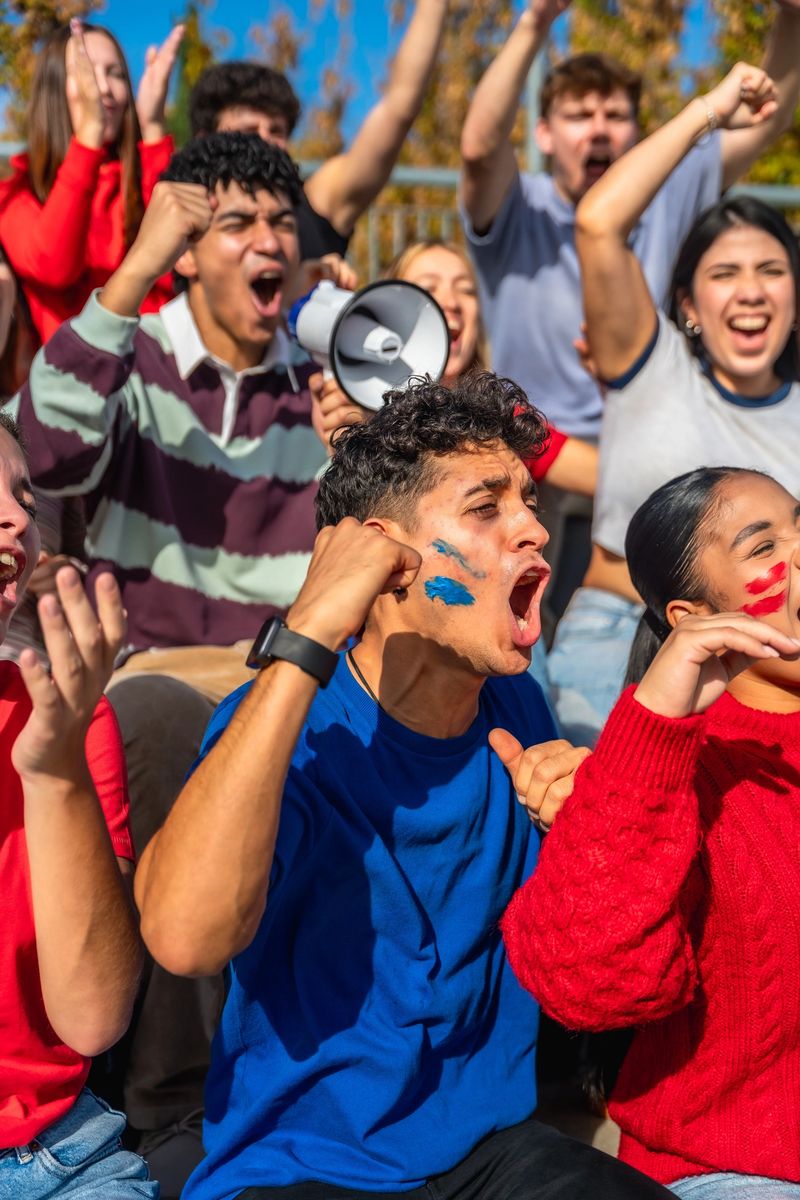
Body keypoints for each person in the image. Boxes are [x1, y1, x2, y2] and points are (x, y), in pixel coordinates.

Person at [133, 374, 673, 1200]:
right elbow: (184, 937)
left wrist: (590, 836)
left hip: (493, 1155)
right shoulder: (282, 723)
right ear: (383, 559)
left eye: (528, 501)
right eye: (486, 508)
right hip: (300, 1169)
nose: (534, 528)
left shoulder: (519, 706)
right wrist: (309, 629)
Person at [14, 130, 353, 1199]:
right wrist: (125, 273)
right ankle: (170, 1100)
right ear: (187, 250)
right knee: (159, 715)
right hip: (154, 681)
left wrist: (362, 455)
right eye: (234, 224)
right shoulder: (137, 352)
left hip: (286, 679)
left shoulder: (328, 378)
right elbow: (50, 445)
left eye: (279, 226)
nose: (266, 245)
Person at [504, 465, 800, 1197]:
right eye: (765, 548)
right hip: (734, 1170)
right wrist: (652, 735)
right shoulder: (661, 774)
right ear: (693, 617)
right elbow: (588, 986)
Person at [460, 0, 800, 622]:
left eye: (615, 115)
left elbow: (765, 116)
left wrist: (792, 22)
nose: (598, 129)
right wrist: (534, 24)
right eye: (578, 114)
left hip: (641, 447)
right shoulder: (521, 204)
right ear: (543, 134)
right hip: (535, 458)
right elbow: (480, 148)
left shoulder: (671, 189)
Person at [547, 60, 800, 745]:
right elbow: (599, 221)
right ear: (688, 305)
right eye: (725, 273)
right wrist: (707, 112)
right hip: (613, 644)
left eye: (771, 271)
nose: (750, 291)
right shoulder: (651, 364)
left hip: (772, 672)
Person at [0, 411, 153, 1196]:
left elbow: (92, 1018)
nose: (19, 517)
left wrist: (53, 771)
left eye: (23, 493)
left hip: (58, 1160)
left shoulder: (67, 716)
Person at [312, 238, 598, 499]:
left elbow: (601, 477)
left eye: (467, 290)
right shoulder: (356, 408)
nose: (451, 302)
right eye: (428, 288)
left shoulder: (501, 420)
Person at [188, 0, 448, 261]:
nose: (265, 141)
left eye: (276, 131)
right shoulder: (183, 222)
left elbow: (399, 108)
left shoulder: (315, 205)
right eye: (249, 131)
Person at [0, 19, 183, 345]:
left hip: (159, 380)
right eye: (85, 72)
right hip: (70, 385)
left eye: (115, 74)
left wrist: (153, 125)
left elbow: (182, 269)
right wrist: (88, 139)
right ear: (54, 89)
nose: (103, 89)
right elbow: (54, 267)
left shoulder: (144, 176)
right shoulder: (17, 195)